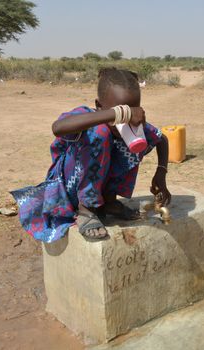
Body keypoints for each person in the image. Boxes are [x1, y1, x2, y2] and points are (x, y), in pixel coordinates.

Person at [11, 68, 171, 242]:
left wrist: (161, 173)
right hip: (69, 189)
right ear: (99, 106)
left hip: (101, 192)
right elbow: (57, 128)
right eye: (121, 112)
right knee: (100, 133)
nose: (127, 118)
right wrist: (114, 115)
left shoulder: (132, 126)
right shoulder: (87, 117)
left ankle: (109, 202)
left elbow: (162, 139)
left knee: (138, 140)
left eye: (132, 111)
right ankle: (86, 209)